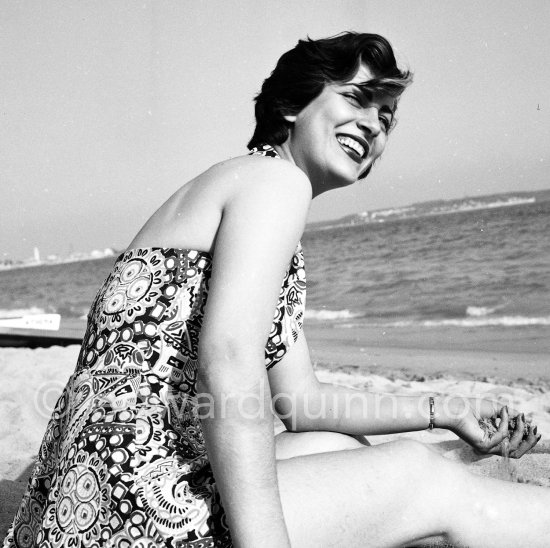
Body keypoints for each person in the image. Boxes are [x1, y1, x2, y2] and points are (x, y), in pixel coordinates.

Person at [4, 32, 548, 548]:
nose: (374, 127)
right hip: (137, 509)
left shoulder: (241, 186)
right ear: (292, 105)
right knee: (421, 477)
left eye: (386, 118)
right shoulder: (275, 184)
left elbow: (304, 403)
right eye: (357, 99)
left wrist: (448, 408)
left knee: (337, 447)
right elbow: (230, 357)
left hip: (80, 504)